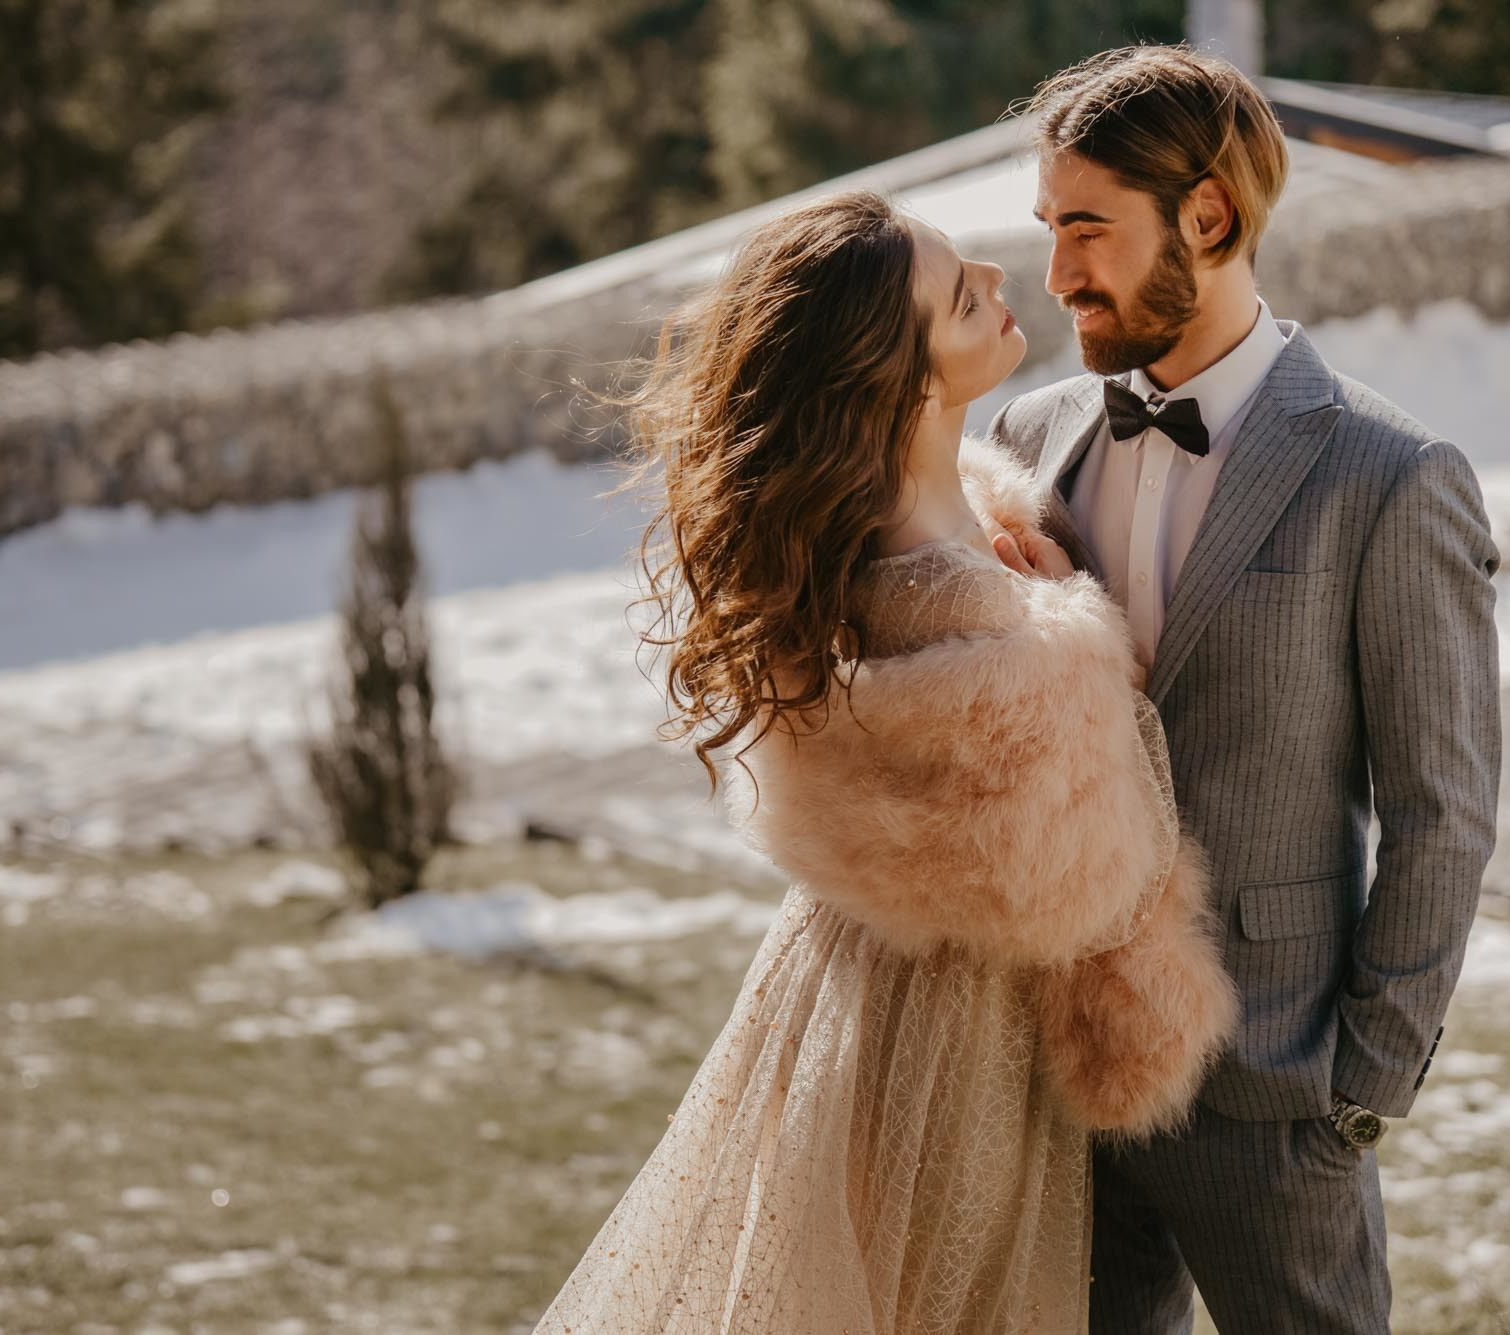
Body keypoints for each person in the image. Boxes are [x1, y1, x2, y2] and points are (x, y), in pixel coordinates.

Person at [531, 188, 1238, 1333]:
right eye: (963, 294)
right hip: (957, 1047)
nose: (1004, 282)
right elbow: (1092, 880)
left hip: (844, 993)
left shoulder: (885, 539)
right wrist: (1086, 654)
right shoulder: (986, 606)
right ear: (902, 379)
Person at [984, 45, 1503, 1333]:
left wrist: (1358, 1089)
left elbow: (1443, 811)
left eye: (1087, 229)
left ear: (1205, 215)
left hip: (1272, 1094)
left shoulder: (1389, 476)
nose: (1056, 275)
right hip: (1057, 1078)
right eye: (1049, 228)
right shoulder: (1019, 443)